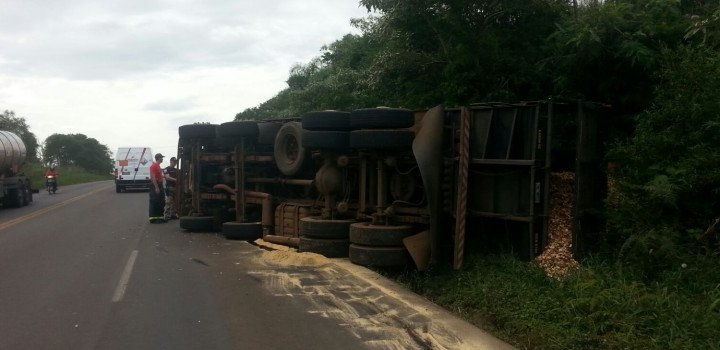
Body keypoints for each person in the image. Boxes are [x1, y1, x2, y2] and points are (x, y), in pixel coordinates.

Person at [148, 153, 166, 223]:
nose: (162, 159)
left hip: (160, 185)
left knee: (161, 201)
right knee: (155, 201)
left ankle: (160, 217)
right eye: (162, 158)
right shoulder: (154, 166)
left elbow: (160, 176)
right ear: (159, 158)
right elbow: (153, 177)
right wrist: (156, 187)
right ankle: (153, 218)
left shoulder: (158, 166)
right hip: (156, 185)